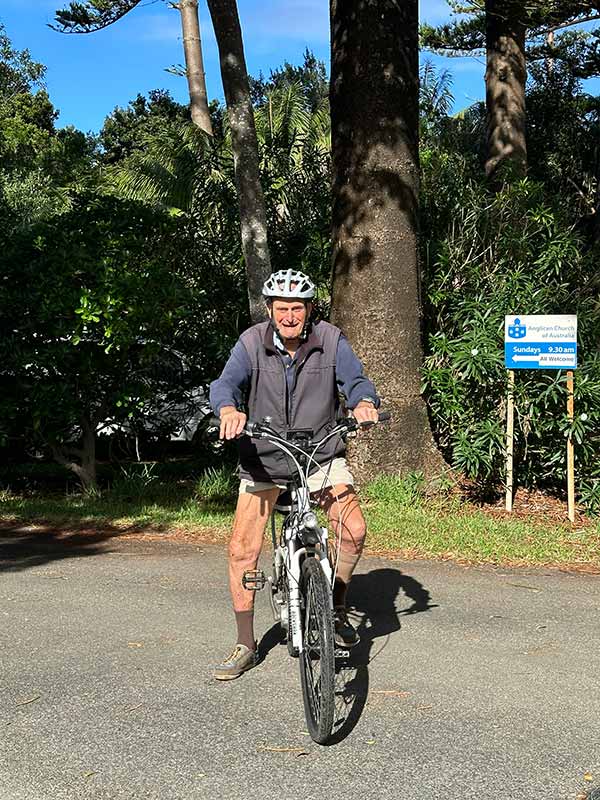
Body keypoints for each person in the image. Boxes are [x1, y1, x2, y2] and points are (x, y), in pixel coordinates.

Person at [209, 268, 381, 680]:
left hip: (319, 454)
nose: (289, 316)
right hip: (264, 458)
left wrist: (363, 403)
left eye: (297, 308)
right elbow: (225, 385)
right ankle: (245, 643)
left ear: (309, 309)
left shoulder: (330, 339)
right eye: (282, 308)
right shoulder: (250, 343)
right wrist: (229, 410)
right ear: (270, 310)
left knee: (352, 528)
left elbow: (356, 380)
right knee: (242, 550)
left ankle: (335, 607)